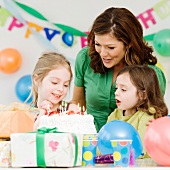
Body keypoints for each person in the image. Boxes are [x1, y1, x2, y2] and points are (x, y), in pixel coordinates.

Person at [68, 7, 166, 132]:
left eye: (110, 47)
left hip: (129, 145)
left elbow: (154, 116)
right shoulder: (85, 59)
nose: (103, 53)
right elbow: (78, 103)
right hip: (90, 141)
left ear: (129, 43)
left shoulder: (151, 75)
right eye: (98, 44)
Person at [107, 65, 168, 158]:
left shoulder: (147, 115)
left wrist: (113, 154)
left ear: (143, 95)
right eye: (116, 88)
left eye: (123, 89)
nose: (116, 93)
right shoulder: (114, 115)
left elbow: (140, 151)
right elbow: (103, 144)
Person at [30, 51, 73, 130]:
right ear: (36, 79)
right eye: (55, 82)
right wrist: (42, 113)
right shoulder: (28, 114)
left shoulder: (70, 111)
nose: (61, 89)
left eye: (66, 85)